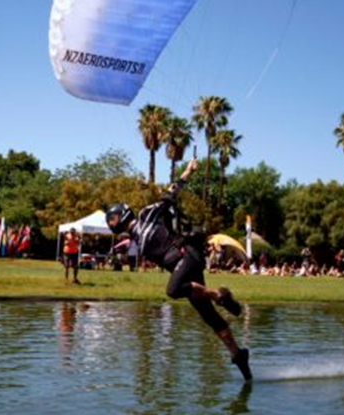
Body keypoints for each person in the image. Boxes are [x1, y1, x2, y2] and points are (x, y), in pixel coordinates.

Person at [104, 158, 252, 381]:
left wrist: (187, 171)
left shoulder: (145, 215)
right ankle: (238, 354)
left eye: (112, 217)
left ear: (123, 213)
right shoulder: (135, 239)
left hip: (187, 256)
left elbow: (169, 195)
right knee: (208, 315)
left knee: (172, 290)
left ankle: (219, 295)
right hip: (182, 268)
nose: (111, 222)